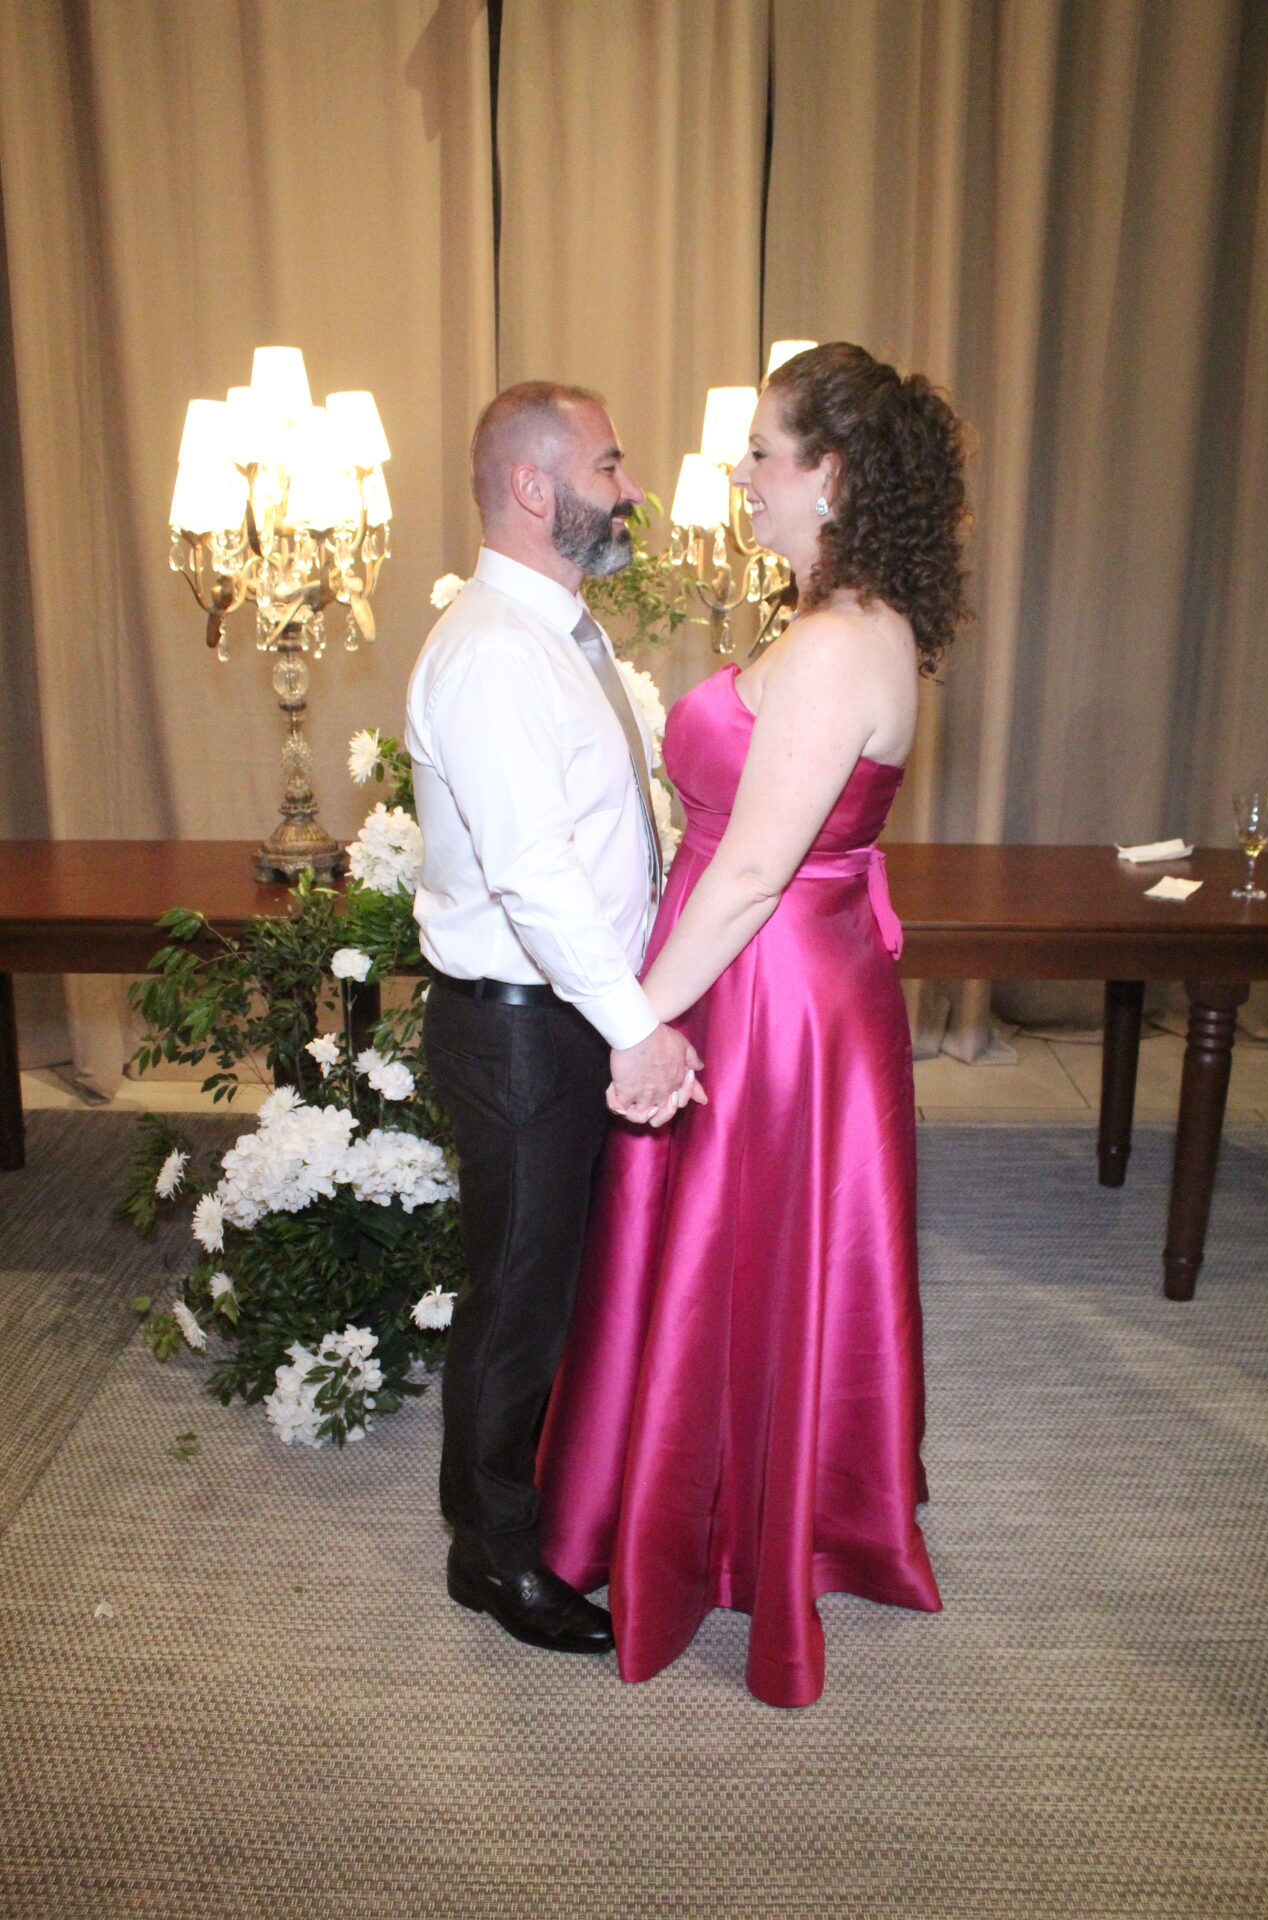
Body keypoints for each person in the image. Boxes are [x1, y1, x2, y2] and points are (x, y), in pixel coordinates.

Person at [536, 343, 971, 1707]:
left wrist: (627, 1019)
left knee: (743, 1255)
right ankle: (722, 1501)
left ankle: (724, 1531)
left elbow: (749, 873)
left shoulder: (838, 645)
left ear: (829, 474)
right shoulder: (844, 620)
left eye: (763, 452)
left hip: (770, 991)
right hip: (781, 973)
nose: (740, 474)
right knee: (747, 1259)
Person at [406, 382, 704, 1657]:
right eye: (608, 465)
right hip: (522, 1029)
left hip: (564, 1012)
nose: (628, 489)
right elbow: (531, 875)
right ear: (534, 488)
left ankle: (535, 1512)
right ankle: (489, 1557)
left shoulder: (554, 634)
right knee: (518, 1301)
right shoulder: (490, 651)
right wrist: (635, 1026)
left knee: (555, 1288)